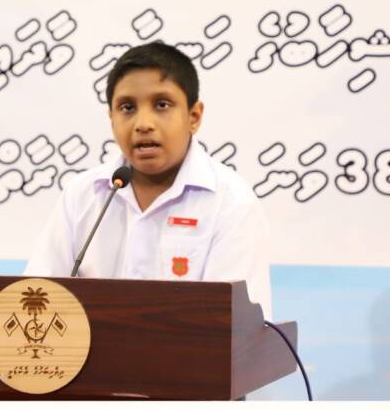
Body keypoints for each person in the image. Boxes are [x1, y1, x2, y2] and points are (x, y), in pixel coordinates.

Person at [24, 42, 272, 320]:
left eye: (162, 105)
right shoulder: (82, 195)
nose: (143, 123)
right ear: (111, 118)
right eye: (127, 107)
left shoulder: (231, 203)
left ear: (194, 116)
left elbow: (236, 328)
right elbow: (35, 298)